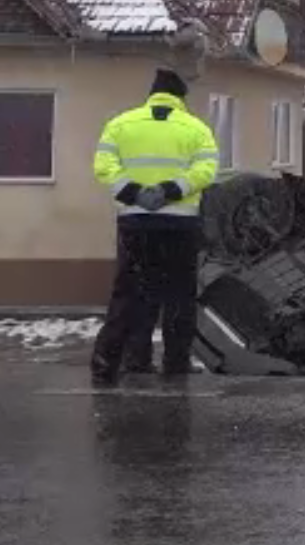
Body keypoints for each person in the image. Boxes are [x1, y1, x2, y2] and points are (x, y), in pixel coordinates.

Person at [89, 68, 220, 388]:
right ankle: (175, 364)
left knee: (131, 293)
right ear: (180, 98)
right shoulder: (196, 129)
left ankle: (118, 361)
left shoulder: (120, 125)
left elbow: (103, 167)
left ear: (152, 95)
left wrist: (135, 193)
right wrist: (170, 191)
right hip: (180, 226)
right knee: (179, 296)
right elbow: (206, 170)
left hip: (135, 223)